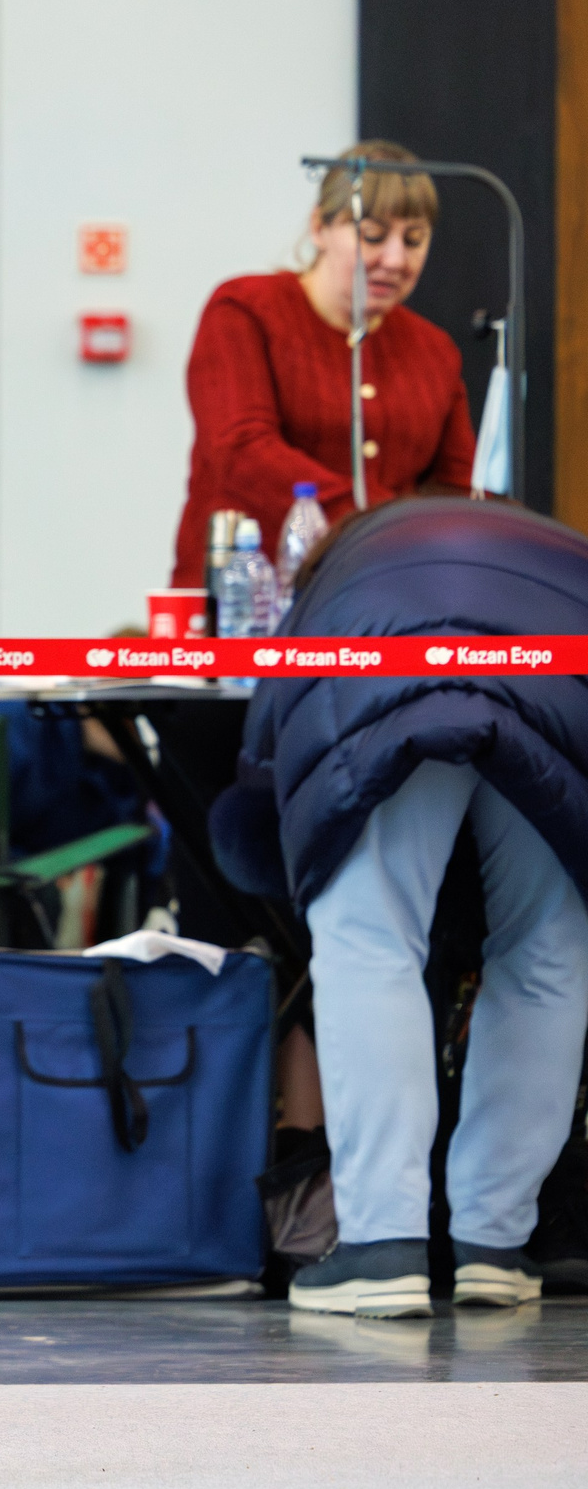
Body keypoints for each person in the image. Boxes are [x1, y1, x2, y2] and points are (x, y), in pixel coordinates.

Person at [208, 497, 588, 1317]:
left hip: (387, 670)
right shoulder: (542, 541)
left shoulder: (337, 580)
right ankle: (495, 1244)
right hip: (561, 675)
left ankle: (383, 1249)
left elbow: (271, 742)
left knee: (370, 940)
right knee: (551, 948)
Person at [170, 140, 471, 589]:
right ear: (318, 227)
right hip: (249, 602)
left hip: (387, 599)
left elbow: (454, 487)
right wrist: (375, 526)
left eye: (414, 240)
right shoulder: (244, 310)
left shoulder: (434, 348)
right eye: (372, 235)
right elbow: (242, 451)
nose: (395, 259)